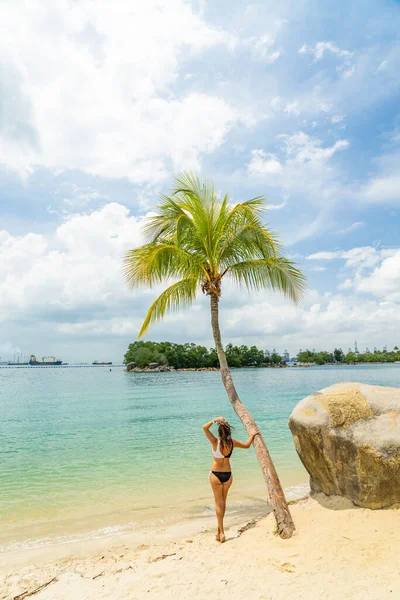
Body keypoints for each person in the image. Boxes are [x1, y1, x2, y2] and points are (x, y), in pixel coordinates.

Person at [203, 416, 259, 543]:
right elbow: (246, 445)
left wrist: (215, 420)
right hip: (228, 475)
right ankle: (218, 531)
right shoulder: (232, 443)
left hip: (216, 474)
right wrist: (252, 435)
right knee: (223, 503)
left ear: (219, 432)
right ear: (229, 432)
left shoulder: (214, 442)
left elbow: (204, 428)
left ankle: (222, 532)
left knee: (218, 503)